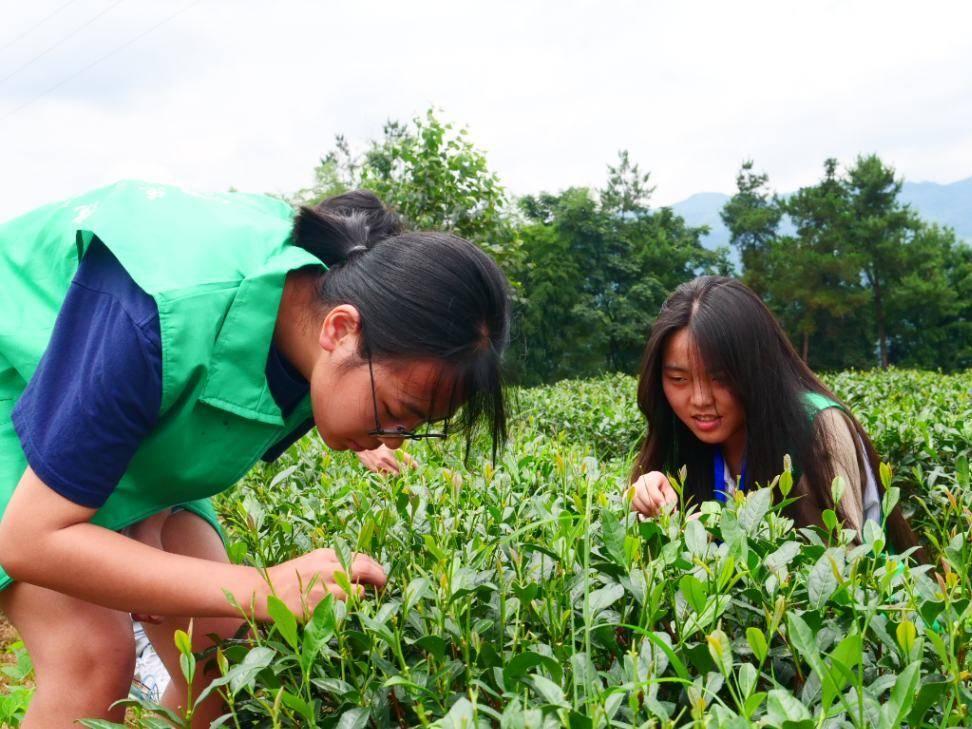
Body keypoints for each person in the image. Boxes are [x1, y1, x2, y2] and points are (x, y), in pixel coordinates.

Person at [0, 180, 510, 726]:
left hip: (115, 408)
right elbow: (30, 540)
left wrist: (152, 512)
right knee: (94, 655)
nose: (392, 440)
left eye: (415, 426)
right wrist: (261, 589)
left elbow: (178, 415)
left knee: (223, 660)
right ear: (341, 330)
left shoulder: (324, 324)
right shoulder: (164, 308)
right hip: (22, 381)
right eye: (395, 409)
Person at [627, 276, 920, 555]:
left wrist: (717, 529)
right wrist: (647, 500)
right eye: (679, 379)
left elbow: (844, 568)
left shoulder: (819, 427)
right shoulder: (681, 434)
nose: (700, 400)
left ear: (757, 368)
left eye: (720, 378)